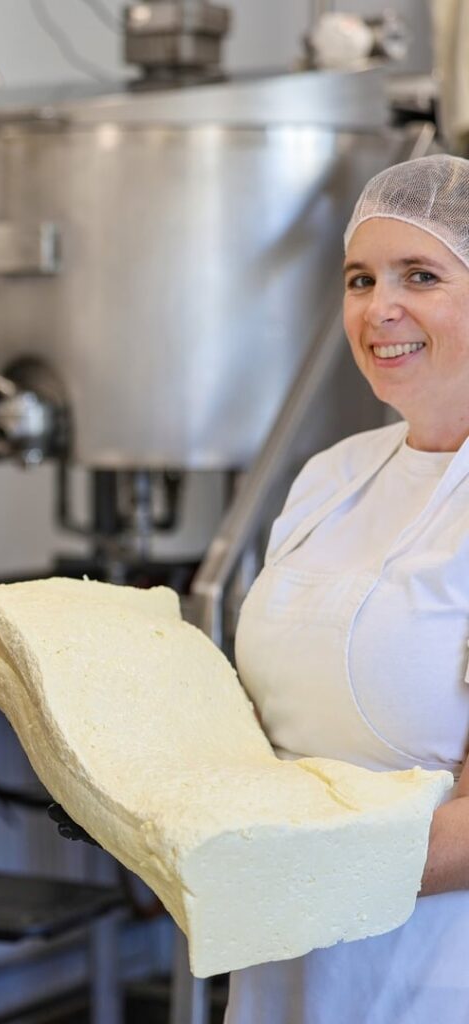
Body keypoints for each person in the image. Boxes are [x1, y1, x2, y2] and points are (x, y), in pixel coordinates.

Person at [226, 153, 469, 1023]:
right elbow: (266, 717)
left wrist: (289, 866)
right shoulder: (333, 476)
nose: (379, 308)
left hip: (437, 976)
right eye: (360, 279)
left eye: (420, 276)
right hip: (283, 966)